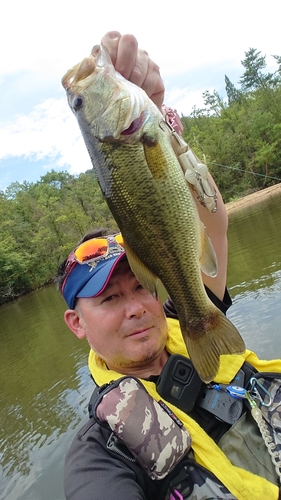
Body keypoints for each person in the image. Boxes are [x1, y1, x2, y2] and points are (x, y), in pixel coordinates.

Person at [57, 32, 281, 500]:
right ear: (76, 323)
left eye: (139, 286)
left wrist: (162, 119)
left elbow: (213, 225)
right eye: (110, 298)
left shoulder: (188, 314)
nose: (137, 307)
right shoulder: (100, 452)